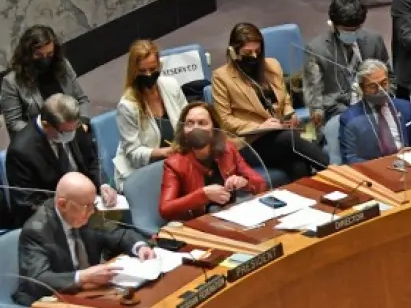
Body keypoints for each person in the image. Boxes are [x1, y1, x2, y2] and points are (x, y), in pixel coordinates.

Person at [211, 23, 328, 182]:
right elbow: (225, 120)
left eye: (257, 51)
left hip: (281, 133)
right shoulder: (221, 77)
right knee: (293, 139)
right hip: (250, 143)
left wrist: (290, 113)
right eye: (247, 52)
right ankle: (334, 171)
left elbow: (285, 98)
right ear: (233, 52)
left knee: (301, 157)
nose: (253, 56)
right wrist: (260, 127)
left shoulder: (272, 65)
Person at [16, 172, 153, 307]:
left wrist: (140, 246)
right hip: (49, 303)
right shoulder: (37, 231)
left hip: (88, 293)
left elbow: (117, 233)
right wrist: (82, 277)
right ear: (63, 204)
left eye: (94, 203)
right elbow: (38, 280)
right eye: (87, 206)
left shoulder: (86, 211)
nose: (93, 211)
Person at [6, 94, 114, 228]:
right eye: (66, 132)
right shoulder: (21, 152)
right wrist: (70, 209)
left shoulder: (71, 125)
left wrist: (102, 184)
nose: (72, 134)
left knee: (118, 227)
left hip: (88, 204)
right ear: (46, 125)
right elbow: (27, 203)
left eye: (75, 128)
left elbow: (92, 160)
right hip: (55, 220)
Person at [159, 102, 266, 222]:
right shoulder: (174, 164)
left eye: (202, 123)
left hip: (233, 216)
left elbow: (260, 184)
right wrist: (203, 195)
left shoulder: (228, 150)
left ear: (214, 128)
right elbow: (165, 209)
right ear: (183, 129)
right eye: (190, 123)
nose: (195, 128)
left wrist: (244, 182)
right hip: (199, 223)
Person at [303, 0, 391, 127]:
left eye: (356, 29)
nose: (352, 34)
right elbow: (314, 96)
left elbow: (389, 75)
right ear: (332, 25)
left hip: (374, 102)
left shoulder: (374, 40)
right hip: (337, 110)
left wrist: (385, 99)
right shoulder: (316, 50)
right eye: (346, 30)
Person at [113, 39, 189, 185]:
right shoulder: (127, 106)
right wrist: (163, 152)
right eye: (142, 71)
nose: (148, 75)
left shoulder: (171, 85)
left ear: (159, 66)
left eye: (153, 69)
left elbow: (187, 120)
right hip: (143, 171)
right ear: (134, 71)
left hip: (175, 163)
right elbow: (133, 153)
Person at [339, 59, 411, 162]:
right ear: (362, 88)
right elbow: (350, 160)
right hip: (376, 174)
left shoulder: (405, 107)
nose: (380, 90)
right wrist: (392, 162)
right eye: (373, 86)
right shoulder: (350, 119)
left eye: (383, 83)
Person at [1, 25, 89, 137]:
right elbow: (14, 124)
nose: (45, 59)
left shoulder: (63, 66)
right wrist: (47, 131)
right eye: (39, 55)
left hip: (71, 131)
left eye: (49, 54)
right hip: (40, 139)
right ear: (27, 55)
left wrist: (82, 121)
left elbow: (81, 99)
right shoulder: (11, 82)